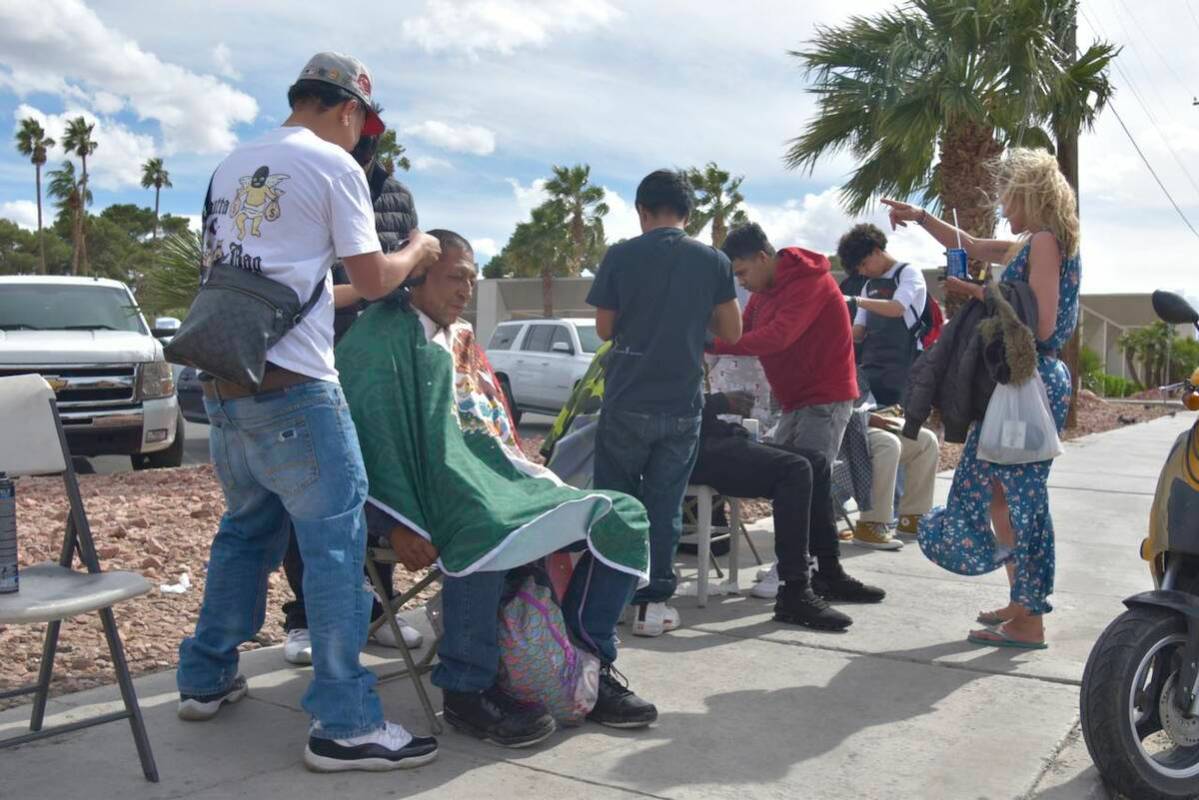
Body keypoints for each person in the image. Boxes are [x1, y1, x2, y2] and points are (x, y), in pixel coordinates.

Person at [175, 52, 444, 773]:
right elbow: (372, 275)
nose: (364, 142)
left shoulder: (232, 164)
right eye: (363, 126)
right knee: (332, 550)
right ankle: (345, 722)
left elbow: (295, 288)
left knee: (244, 535)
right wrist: (417, 249)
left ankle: (203, 678)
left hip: (228, 390)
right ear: (348, 110)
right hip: (297, 394)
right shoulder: (334, 165)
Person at [336, 231, 658, 747]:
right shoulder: (377, 340)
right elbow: (360, 446)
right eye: (455, 276)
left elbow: (494, 430)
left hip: (495, 478)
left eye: (472, 278)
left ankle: (584, 665)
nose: (466, 289)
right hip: (430, 494)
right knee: (485, 524)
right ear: (416, 275)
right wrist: (393, 524)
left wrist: (517, 475)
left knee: (622, 514)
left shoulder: (462, 337)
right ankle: (466, 689)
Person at [882, 146, 1081, 650]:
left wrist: (976, 295)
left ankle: (1031, 617)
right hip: (1019, 383)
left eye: (1006, 195)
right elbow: (968, 242)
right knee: (1001, 497)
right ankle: (1022, 602)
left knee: (1016, 501)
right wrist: (922, 215)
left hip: (1027, 384)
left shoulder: (1043, 243)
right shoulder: (1030, 243)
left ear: (1027, 194)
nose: (1002, 205)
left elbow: (1037, 324)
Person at [279, 120, 424, 666]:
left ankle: (377, 612)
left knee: (378, 487)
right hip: (313, 362)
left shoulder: (395, 196)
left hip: (379, 367)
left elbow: (402, 282)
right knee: (311, 499)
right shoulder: (307, 180)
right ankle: (304, 618)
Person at [587, 169, 742, 638]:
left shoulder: (620, 256)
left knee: (616, 501)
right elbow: (732, 331)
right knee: (664, 505)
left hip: (627, 396)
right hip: (681, 401)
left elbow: (604, 329)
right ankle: (652, 607)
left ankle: (609, 598)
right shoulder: (713, 260)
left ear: (641, 211)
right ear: (688, 213)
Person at [689, 391, 886, 628]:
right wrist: (719, 402)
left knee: (817, 463)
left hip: (709, 435)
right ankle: (794, 590)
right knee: (795, 469)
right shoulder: (660, 353)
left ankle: (828, 571)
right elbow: (657, 398)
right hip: (688, 447)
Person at [709, 223, 857, 466]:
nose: (741, 282)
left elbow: (778, 337)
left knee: (809, 480)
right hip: (793, 400)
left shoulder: (811, 281)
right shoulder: (763, 290)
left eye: (742, 273)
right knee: (790, 480)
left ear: (762, 257)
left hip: (824, 400)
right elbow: (739, 332)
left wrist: (714, 345)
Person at [838, 223, 929, 407]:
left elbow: (897, 308)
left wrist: (855, 300)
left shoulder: (908, 273)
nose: (863, 272)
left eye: (864, 264)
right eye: (859, 270)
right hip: (872, 369)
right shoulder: (868, 286)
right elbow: (858, 331)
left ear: (877, 250)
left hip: (904, 367)